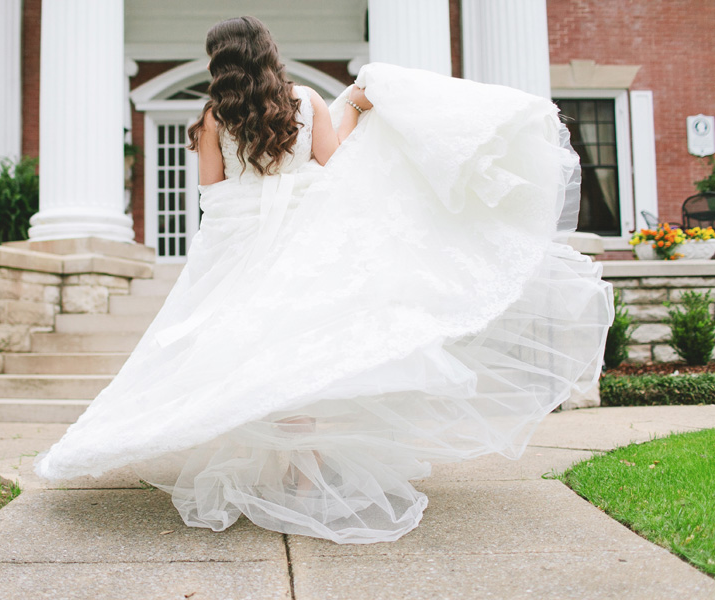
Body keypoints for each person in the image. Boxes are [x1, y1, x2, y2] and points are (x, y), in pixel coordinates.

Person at [34, 16, 613, 544]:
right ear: (268, 53)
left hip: (244, 253)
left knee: (258, 356)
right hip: (304, 245)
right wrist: (353, 110)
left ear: (221, 62)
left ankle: (294, 465)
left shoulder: (214, 118)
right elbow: (336, 168)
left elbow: (214, 197)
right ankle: (302, 471)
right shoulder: (306, 101)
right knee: (298, 355)